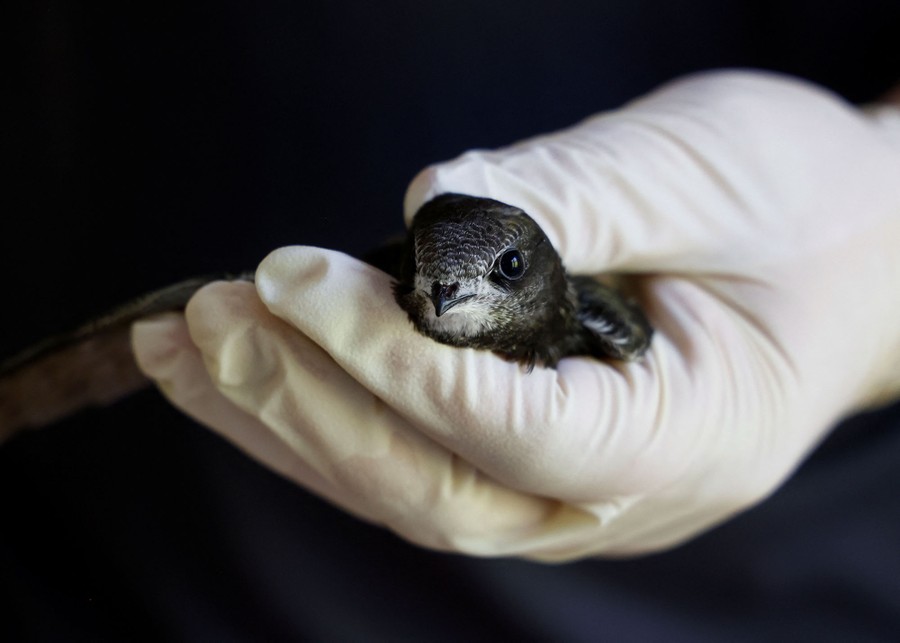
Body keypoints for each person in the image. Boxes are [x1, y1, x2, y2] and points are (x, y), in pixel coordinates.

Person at [133, 70, 900, 561]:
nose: (447, 297)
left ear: (533, 273)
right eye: (433, 282)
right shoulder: (377, 279)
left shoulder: (595, 315)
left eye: (498, 273)